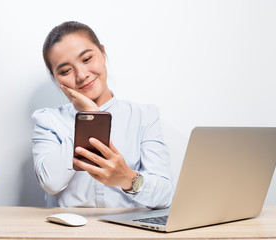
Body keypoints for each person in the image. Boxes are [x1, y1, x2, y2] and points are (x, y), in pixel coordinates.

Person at [32, 21, 174, 208]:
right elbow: (50, 182)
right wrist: (90, 117)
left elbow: (165, 197)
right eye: (66, 70)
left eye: (87, 59)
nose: (81, 75)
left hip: (129, 232)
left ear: (103, 53)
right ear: (56, 79)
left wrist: (128, 179)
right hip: (69, 233)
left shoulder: (144, 116)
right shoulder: (47, 120)